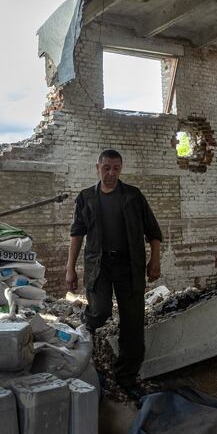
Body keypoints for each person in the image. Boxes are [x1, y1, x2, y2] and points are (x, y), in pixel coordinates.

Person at [66, 149, 162, 395]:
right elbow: (77, 234)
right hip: (99, 265)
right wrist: (70, 269)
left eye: (116, 168)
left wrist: (155, 260)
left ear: (121, 169)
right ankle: (87, 346)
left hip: (129, 265)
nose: (111, 173)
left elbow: (153, 231)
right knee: (99, 311)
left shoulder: (132, 196)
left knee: (132, 320)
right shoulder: (86, 197)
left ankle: (126, 377)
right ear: (97, 167)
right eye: (106, 167)